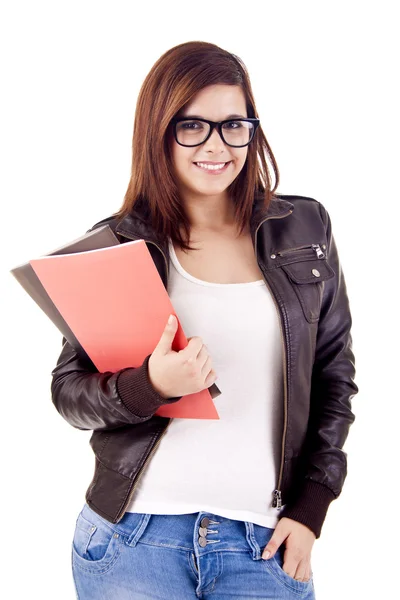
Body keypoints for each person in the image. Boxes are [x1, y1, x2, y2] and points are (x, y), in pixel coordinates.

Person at [51, 41, 358, 600]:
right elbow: (69, 392)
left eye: (233, 125)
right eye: (191, 126)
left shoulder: (304, 227)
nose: (216, 146)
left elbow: (335, 377)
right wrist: (153, 385)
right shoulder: (119, 244)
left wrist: (312, 508)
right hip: (132, 542)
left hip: (262, 546)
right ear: (159, 132)